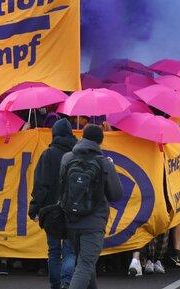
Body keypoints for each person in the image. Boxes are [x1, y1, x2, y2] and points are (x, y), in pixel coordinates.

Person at [60, 124, 123, 289]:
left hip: (70, 220)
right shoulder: (104, 163)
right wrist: (112, 168)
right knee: (86, 265)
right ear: (100, 141)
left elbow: (61, 186)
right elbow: (116, 195)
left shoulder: (67, 158)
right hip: (94, 223)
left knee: (86, 263)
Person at [30, 118, 78, 289]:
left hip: (51, 210)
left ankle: (55, 285)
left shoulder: (48, 154)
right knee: (70, 251)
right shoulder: (78, 154)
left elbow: (41, 185)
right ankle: (67, 282)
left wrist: (35, 208)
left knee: (54, 251)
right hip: (75, 210)